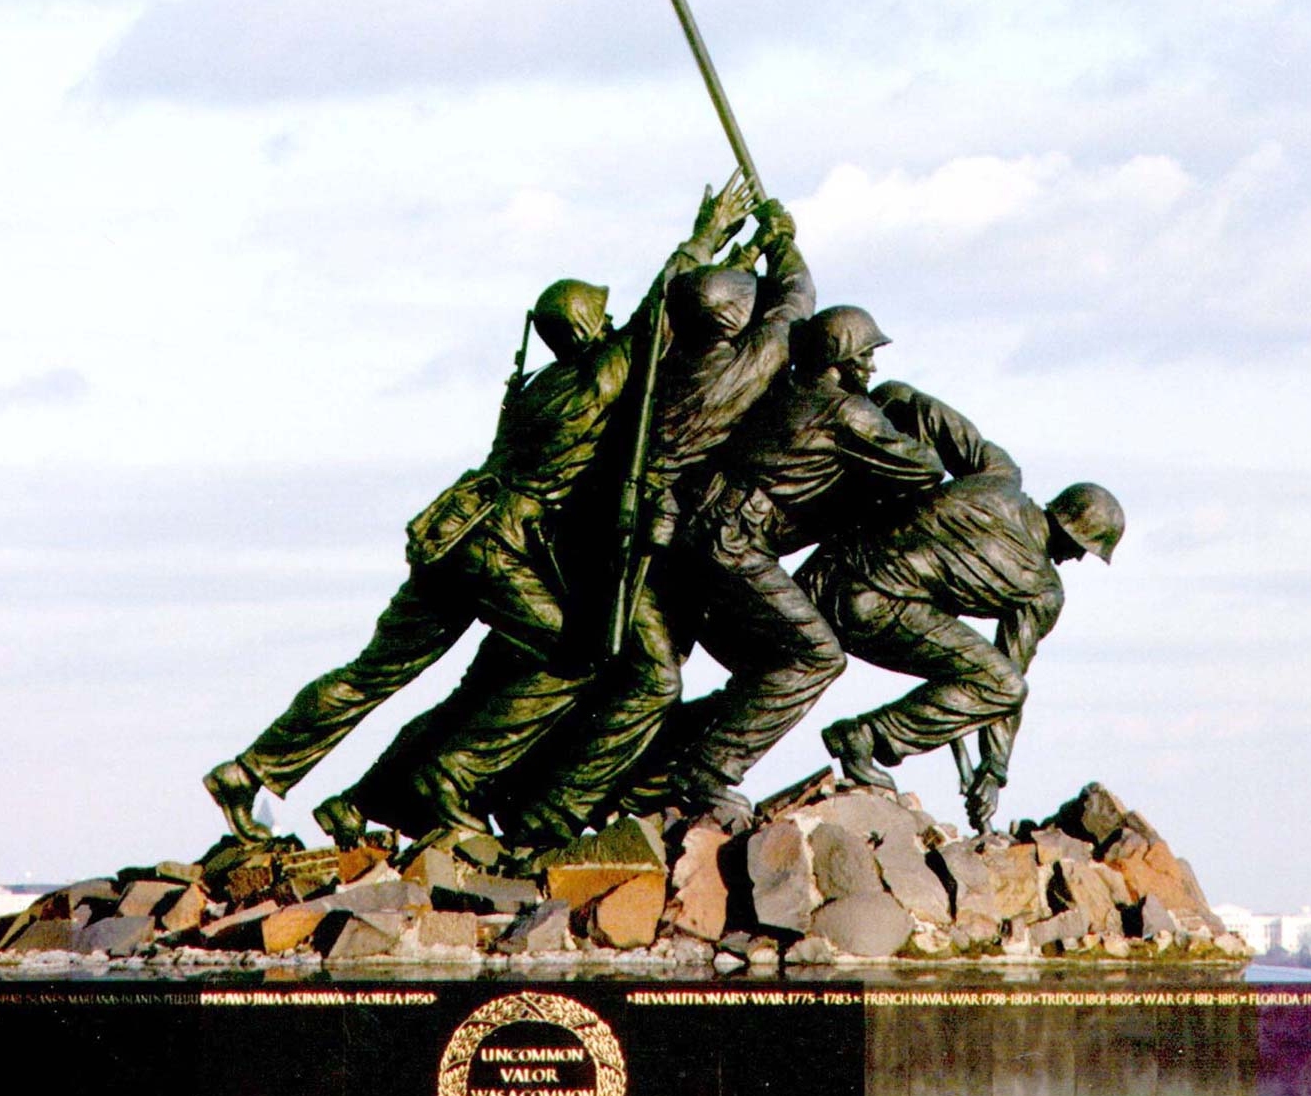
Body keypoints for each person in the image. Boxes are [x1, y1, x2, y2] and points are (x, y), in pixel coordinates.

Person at [201, 178, 751, 845]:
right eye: (599, 321)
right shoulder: (594, 378)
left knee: (371, 674)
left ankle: (252, 771)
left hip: (449, 532)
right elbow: (656, 314)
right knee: (578, 656)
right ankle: (446, 780)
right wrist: (707, 236)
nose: (609, 327)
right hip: (496, 544)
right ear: (586, 330)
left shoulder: (532, 391)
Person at [497, 202, 816, 847]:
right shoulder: (741, 364)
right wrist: (781, 241)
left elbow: (672, 305)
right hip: (644, 539)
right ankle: (550, 813)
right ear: (732, 320)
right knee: (658, 678)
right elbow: (797, 302)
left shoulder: (657, 358)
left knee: (656, 672)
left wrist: (732, 252)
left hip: (628, 533)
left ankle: (617, 789)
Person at [620, 305, 949, 825]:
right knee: (816, 657)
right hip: (732, 543)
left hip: (700, 533)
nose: (872, 368)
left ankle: (647, 767)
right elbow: (923, 468)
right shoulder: (848, 412)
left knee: (766, 669)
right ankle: (709, 770)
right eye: (865, 356)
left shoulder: (784, 392)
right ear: (841, 359)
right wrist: (910, 417)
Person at [804, 383, 1123, 832]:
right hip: (870, 607)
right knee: (1002, 684)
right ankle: (865, 737)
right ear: (1077, 540)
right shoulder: (1043, 591)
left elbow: (910, 402)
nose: (1078, 559)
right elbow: (1005, 685)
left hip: (823, 573)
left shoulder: (998, 473)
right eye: (1086, 550)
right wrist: (993, 770)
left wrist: (868, 407)